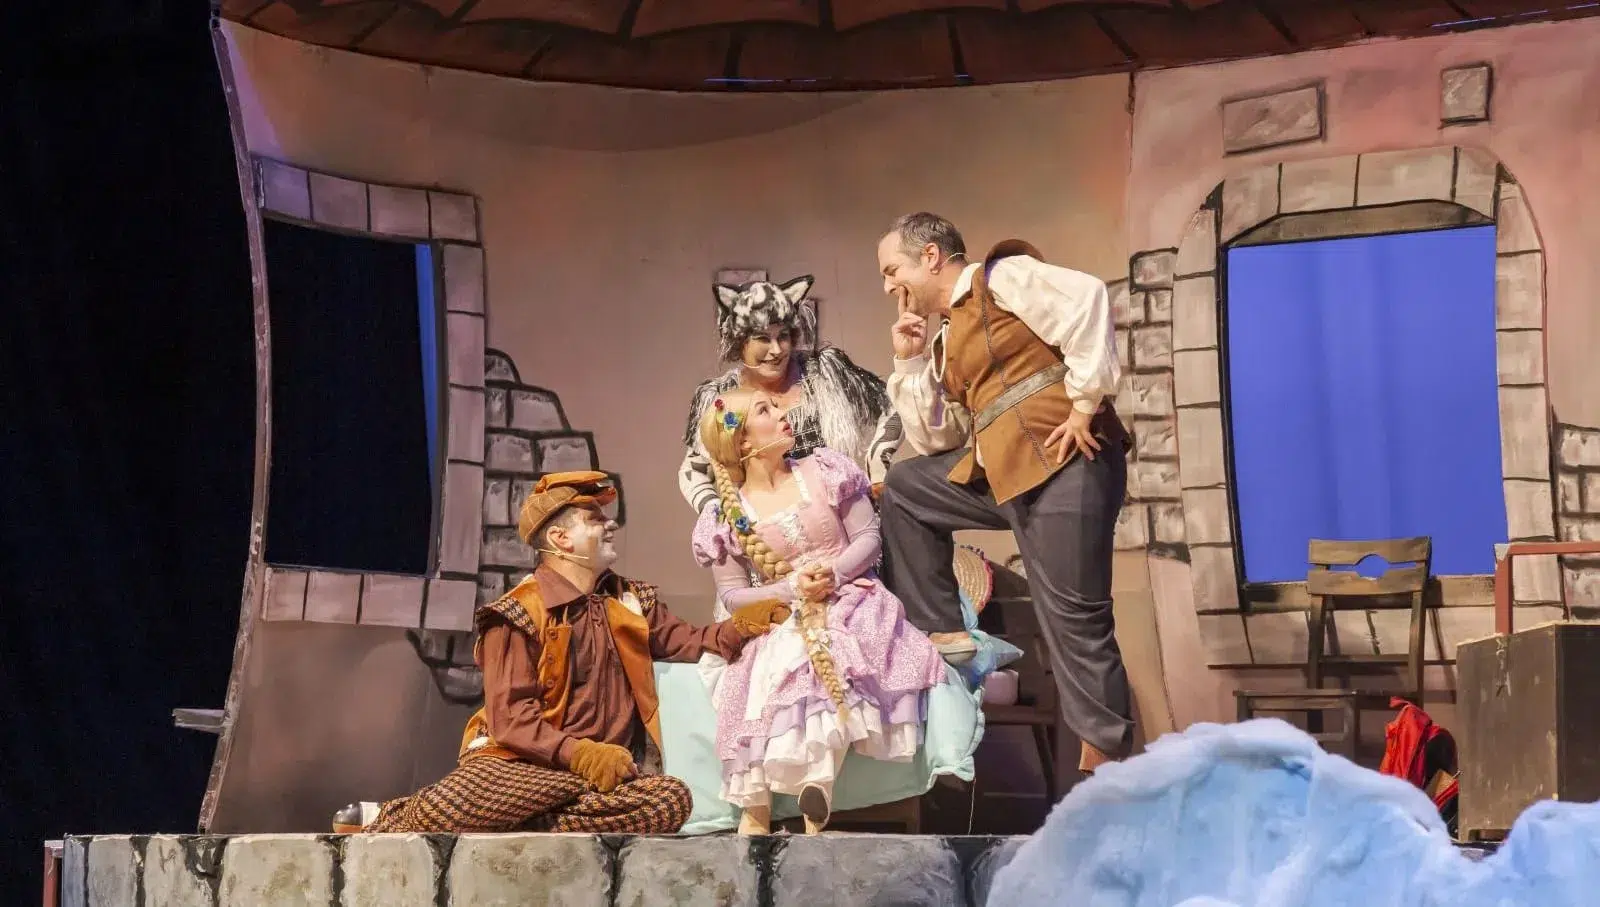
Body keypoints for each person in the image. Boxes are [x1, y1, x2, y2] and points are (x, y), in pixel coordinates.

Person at [332, 472, 789, 834]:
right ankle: (399, 816)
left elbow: (691, 642)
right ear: (560, 539)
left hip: (599, 777)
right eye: (593, 519)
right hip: (519, 767)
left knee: (670, 800)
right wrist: (581, 755)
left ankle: (510, 823)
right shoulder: (515, 614)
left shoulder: (630, 600)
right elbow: (512, 721)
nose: (610, 524)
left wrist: (742, 626)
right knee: (475, 794)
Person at [874, 212, 1133, 775]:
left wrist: (1084, 405)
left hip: (1066, 463)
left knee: (1073, 616)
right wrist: (911, 360)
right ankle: (945, 632)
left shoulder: (1002, 277)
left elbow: (1088, 297)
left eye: (892, 270)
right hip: (1006, 474)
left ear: (931, 257)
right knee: (908, 487)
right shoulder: (946, 338)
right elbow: (936, 440)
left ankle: (1107, 765)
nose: (889, 286)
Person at [690, 388, 946, 835]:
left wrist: (834, 573)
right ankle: (755, 810)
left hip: (851, 599)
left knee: (824, 649)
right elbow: (732, 596)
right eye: (766, 410)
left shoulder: (825, 470)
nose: (783, 412)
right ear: (743, 440)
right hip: (783, 612)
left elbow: (868, 537)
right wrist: (790, 589)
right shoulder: (727, 515)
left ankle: (816, 793)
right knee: (770, 663)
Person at [679, 274, 901, 519]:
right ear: (739, 341)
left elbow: (893, 407)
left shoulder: (823, 373)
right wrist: (719, 512)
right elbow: (694, 469)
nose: (776, 350)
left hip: (844, 519)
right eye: (763, 338)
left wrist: (877, 463)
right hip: (771, 530)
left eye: (783, 336)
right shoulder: (722, 398)